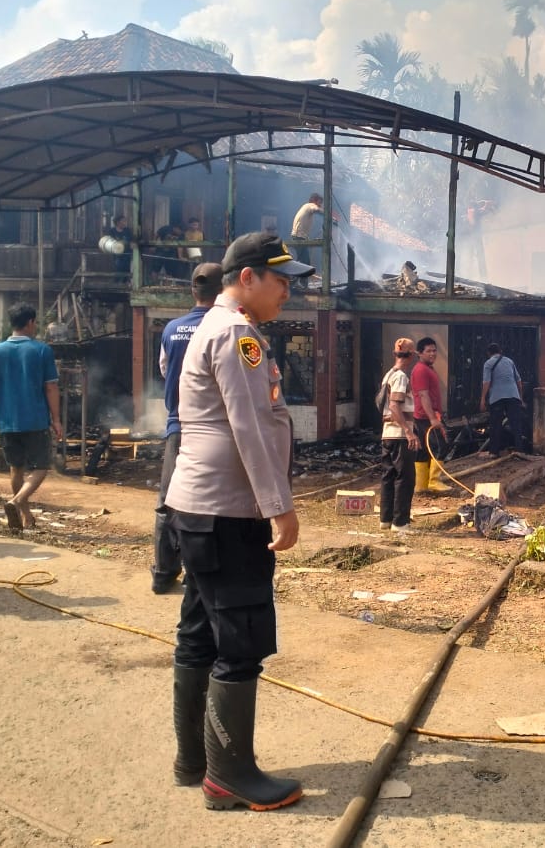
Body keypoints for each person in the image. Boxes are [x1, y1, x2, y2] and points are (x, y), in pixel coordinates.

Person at [162, 231, 312, 812]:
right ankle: (229, 776)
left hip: (195, 506)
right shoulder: (238, 335)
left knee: (200, 631)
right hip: (228, 509)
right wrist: (280, 505)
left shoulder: (211, 328)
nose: (287, 293)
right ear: (246, 278)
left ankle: (195, 760)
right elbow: (250, 426)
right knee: (240, 639)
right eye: (281, 281)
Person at [150, 263, 223, 595]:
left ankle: (164, 572)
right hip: (216, 432)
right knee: (216, 504)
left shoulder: (172, 329)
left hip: (178, 427)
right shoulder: (227, 329)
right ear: (223, 290)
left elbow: (167, 373)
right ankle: (206, 575)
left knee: (168, 502)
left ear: (193, 291)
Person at [0, 304, 63, 535]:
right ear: (31, 322)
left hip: (7, 421)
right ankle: (16, 502)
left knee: (16, 468)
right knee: (42, 467)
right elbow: (51, 388)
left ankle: (26, 517)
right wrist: (56, 419)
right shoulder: (42, 350)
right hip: (35, 420)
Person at [379, 337, 420, 531]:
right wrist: (408, 432)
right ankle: (400, 522)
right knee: (405, 478)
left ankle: (385, 520)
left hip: (387, 434)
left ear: (395, 354)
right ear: (411, 356)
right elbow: (395, 404)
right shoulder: (401, 377)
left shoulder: (388, 374)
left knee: (388, 476)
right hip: (399, 435)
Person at [411, 336, 450, 495]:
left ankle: (421, 485)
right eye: (429, 351)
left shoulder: (427, 368)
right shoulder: (421, 370)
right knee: (440, 446)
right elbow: (423, 395)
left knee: (423, 450)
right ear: (419, 353)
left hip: (424, 415)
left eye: (434, 350)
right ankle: (434, 481)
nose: (433, 354)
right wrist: (433, 418)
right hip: (426, 416)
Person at [480, 342, 524, 455]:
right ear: (500, 351)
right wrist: (520, 397)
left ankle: (494, 451)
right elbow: (519, 381)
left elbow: (486, 382)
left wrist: (483, 399)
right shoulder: (510, 361)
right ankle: (519, 450)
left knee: (495, 424)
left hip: (497, 397)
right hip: (513, 395)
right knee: (516, 424)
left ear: (488, 353)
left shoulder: (488, 363)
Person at [291, 194, 324, 268]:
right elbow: (316, 209)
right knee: (305, 262)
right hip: (298, 237)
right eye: (319, 202)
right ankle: (299, 278)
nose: (320, 205)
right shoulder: (311, 205)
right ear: (314, 200)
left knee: (303, 261)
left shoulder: (306, 206)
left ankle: (297, 278)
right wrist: (328, 214)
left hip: (299, 236)